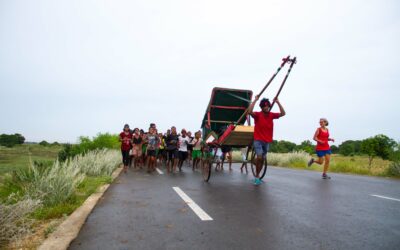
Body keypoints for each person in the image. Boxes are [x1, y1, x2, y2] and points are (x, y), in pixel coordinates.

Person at [248, 95, 286, 185]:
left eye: (268, 106)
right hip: (258, 140)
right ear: (262, 107)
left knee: (261, 160)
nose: (267, 107)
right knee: (260, 157)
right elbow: (249, 111)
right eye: (265, 106)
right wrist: (255, 100)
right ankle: (257, 177)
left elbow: (283, 113)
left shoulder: (272, 115)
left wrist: (277, 102)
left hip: (267, 141)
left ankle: (257, 172)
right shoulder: (257, 115)